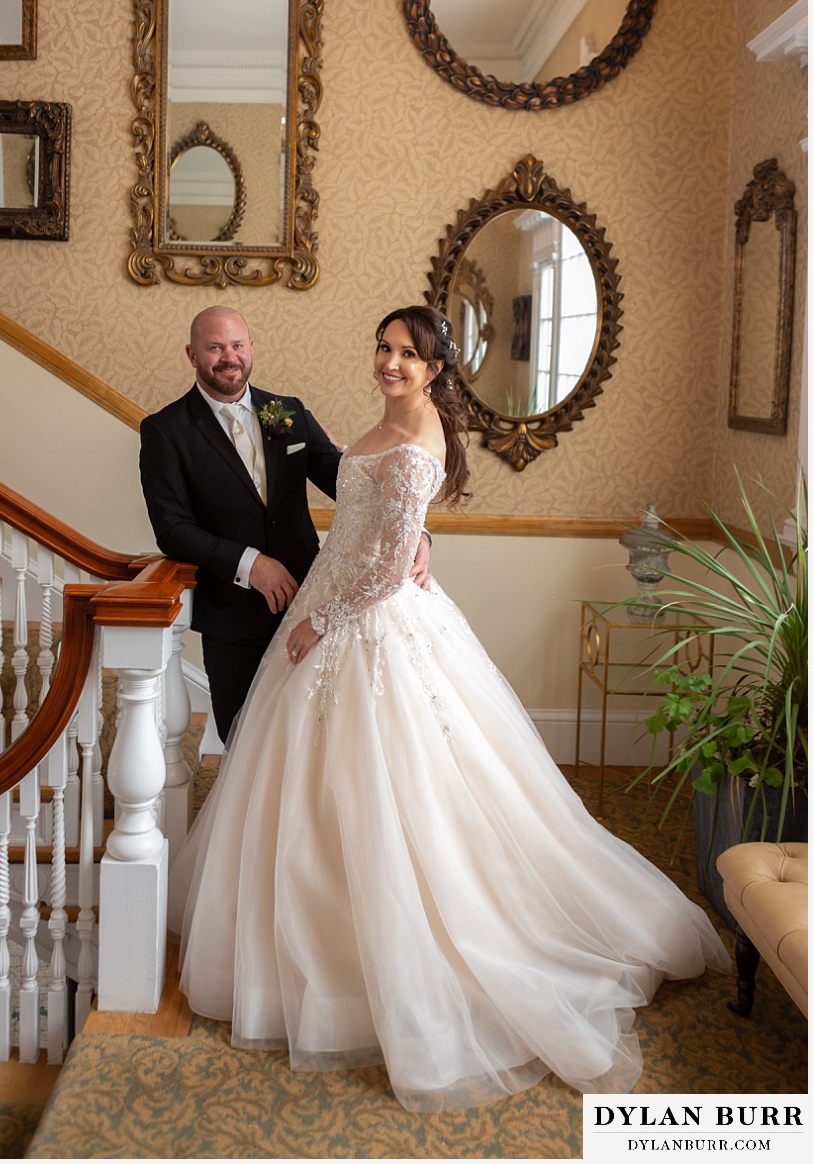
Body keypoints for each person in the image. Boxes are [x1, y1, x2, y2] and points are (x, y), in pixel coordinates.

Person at [168, 304, 729, 1113]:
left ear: (435, 369)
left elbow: (391, 540)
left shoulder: (364, 426)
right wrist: (389, 546)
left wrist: (366, 581)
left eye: (407, 353)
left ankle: (390, 964)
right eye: (384, 347)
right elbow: (346, 496)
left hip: (361, 624)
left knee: (402, 792)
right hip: (315, 603)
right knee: (302, 791)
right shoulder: (195, 429)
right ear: (197, 353)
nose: (390, 361)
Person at [139, 305, 431, 742]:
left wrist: (418, 534)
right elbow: (172, 527)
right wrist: (251, 563)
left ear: (251, 348)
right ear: (192, 354)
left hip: (311, 605)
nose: (228, 356)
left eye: (237, 345)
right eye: (215, 348)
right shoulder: (165, 430)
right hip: (232, 620)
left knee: (312, 744)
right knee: (243, 741)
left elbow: (355, 488)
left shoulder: (288, 411)